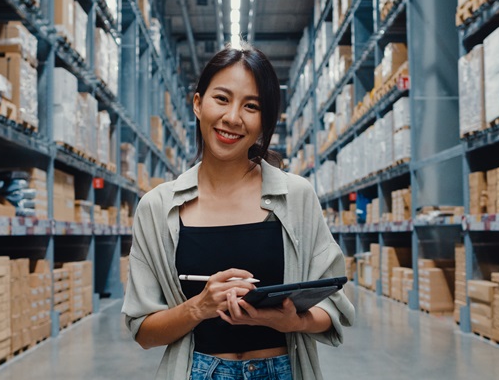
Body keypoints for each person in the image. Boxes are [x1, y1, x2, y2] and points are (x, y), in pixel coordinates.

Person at [122, 42, 354, 380]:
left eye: (251, 106)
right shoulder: (157, 208)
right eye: (222, 99)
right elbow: (144, 331)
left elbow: (332, 305)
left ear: (264, 121)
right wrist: (198, 307)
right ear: (198, 104)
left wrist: (293, 321)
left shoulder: (297, 197)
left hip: (282, 370)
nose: (233, 117)